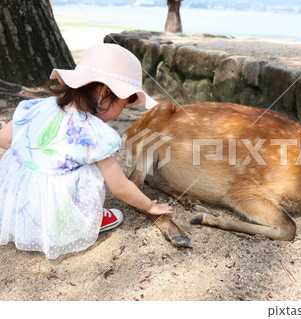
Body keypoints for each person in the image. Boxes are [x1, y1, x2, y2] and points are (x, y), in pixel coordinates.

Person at [0, 43, 172, 259]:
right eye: (125, 102)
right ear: (106, 92)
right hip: (57, 220)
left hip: (15, 208)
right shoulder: (97, 133)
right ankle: (84, 221)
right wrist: (149, 206)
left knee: (33, 160)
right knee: (91, 169)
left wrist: (39, 161)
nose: (121, 112)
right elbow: (119, 187)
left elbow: (4, 139)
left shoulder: (36, 107)